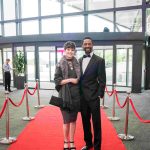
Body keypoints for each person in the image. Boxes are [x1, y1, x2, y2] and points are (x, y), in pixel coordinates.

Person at [79, 37, 106, 150]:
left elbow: (102, 79)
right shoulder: (79, 60)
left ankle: (97, 146)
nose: (87, 46)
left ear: (92, 45)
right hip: (82, 97)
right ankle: (88, 143)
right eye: (85, 44)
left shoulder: (99, 60)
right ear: (83, 45)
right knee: (85, 122)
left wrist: (100, 94)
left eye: (89, 44)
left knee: (96, 123)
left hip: (94, 96)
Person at [54, 41, 80, 150]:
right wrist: (70, 80)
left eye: (72, 49)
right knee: (66, 120)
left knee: (73, 120)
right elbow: (57, 80)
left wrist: (77, 80)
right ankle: (65, 141)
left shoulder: (77, 62)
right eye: (68, 49)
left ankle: (72, 141)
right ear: (65, 50)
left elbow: (80, 78)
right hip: (64, 95)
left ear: (74, 51)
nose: (70, 51)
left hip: (76, 95)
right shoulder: (60, 63)